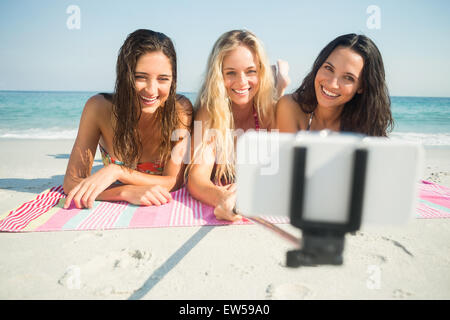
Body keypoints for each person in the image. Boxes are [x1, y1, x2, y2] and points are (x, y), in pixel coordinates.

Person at [63, 29, 193, 209]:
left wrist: (117, 172)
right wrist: (122, 192)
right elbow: (71, 182)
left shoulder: (180, 110)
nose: (151, 90)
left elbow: (174, 181)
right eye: (140, 77)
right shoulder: (99, 108)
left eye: (163, 79)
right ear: (125, 75)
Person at [186, 29, 290, 222]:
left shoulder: (269, 111)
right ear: (218, 76)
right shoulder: (210, 112)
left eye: (251, 71)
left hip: (267, 102)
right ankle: (279, 82)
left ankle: (280, 83)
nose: (241, 82)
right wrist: (222, 198)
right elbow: (196, 178)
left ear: (261, 71)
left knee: (276, 99)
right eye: (231, 73)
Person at [276, 33, 393, 136]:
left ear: (362, 86)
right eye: (328, 68)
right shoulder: (290, 107)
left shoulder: (366, 125)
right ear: (318, 66)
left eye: (348, 78)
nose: (332, 84)